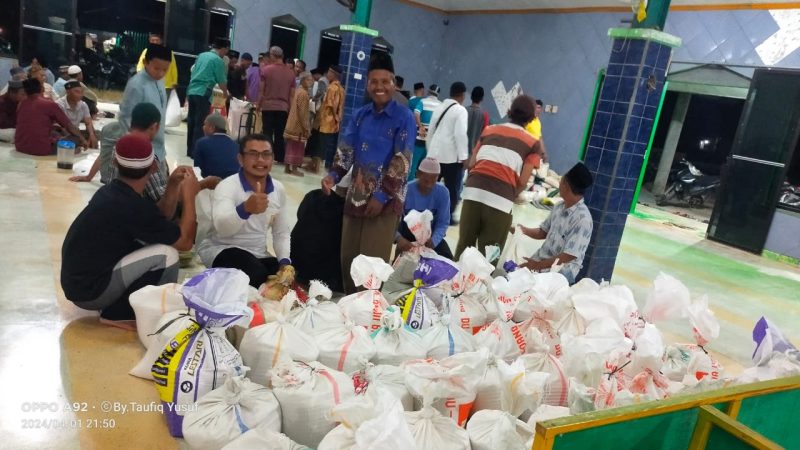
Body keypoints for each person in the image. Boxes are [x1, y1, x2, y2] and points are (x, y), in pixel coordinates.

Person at [61, 134, 200, 330]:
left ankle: (119, 306)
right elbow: (185, 242)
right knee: (167, 255)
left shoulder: (114, 192)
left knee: (155, 244)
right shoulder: (130, 205)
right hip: (90, 293)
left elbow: (158, 218)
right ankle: (120, 313)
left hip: (79, 284)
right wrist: (190, 196)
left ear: (115, 162)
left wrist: (173, 185)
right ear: (154, 167)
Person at [321, 52, 415, 294]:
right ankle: (349, 318)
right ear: (367, 84)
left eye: (385, 81)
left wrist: (381, 196)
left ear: (394, 83)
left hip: (385, 201)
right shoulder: (361, 115)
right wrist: (333, 175)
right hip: (356, 196)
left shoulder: (403, 117)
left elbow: (401, 161)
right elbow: (347, 151)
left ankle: (366, 318)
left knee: (372, 264)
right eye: (374, 81)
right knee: (349, 260)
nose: (379, 87)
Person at [196, 134, 292, 288]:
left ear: (272, 159)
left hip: (258, 254)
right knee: (256, 276)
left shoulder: (278, 189)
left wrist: (284, 262)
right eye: (253, 154)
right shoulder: (228, 186)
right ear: (240, 159)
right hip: (222, 248)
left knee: (285, 280)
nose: (260, 160)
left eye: (266, 154)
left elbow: (281, 232)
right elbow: (222, 228)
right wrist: (245, 209)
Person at [454, 95, 542, 258]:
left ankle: (455, 282)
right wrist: (510, 194)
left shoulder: (489, 130)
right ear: (531, 118)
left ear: (510, 111)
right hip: (500, 200)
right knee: (488, 256)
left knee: (463, 248)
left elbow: (473, 163)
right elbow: (523, 181)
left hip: (472, 192)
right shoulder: (533, 143)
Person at [516, 162, 594, 284]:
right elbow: (543, 232)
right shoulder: (559, 207)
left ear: (566, 185)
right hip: (541, 261)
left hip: (560, 272)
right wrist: (522, 230)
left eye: (562, 180)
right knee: (513, 280)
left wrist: (537, 266)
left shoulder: (582, 220)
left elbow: (568, 256)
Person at [119, 44, 171, 186]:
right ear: (145, 62)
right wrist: (136, 150)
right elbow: (126, 119)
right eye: (156, 68)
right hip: (143, 151)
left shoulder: (160, 81)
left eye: (165, 70)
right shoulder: (136, 85)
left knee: (163, 187)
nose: (160, 73)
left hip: (159, 147)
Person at [426, 81, 469, 225]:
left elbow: (430, 130)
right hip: (451, 158)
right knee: (452, 190)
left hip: (434, 155)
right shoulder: (461, 110)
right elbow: (460, 135)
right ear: (462, 95)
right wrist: (464, 157)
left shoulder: (439, 107)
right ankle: (447, 217)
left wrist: (429, 152)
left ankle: (428, 211)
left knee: (430, 186)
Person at [396, 158, 453, 259]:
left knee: (447, 258)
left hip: (430, 237)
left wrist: (434, 240)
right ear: (418, 174)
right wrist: (399, 238)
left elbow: (443, 222)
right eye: (426, 180)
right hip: (407, 238)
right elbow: (393, 221)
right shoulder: (406, 189)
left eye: (433, 180)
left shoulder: (443, 192)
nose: (429, 185)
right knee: (402, 266)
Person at [15, 78, 87, 156]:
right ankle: (69, 150)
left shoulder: (21, 104)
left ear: (25, 91)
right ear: (41, 89)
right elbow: (69, 126)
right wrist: (83, 140)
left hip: (20, 146)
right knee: (76, 137)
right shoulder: (49, 104)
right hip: (41, 149)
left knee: (54, 133)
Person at [187, 37, 230, 158]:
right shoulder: (217, 60)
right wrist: (226, 94)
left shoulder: (201, 55)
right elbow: (221, 81)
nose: (225, 53)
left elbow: (193, 70)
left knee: (191, 121)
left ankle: (190, 150)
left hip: (192, 90)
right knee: (201, 123)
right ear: (223, 48)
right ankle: (196, 152)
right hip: (204, 91)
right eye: (226, 50)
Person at [259, 46, 295, 163]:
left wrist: (258, 105)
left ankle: (267, 155)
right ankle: (280, 157)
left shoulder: (266, 70)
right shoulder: (290, 73)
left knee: (267, 132)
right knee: (280, 134)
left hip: (268, 106)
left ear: (272, 56)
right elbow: (291, 95)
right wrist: (290, 110)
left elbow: (261, 91)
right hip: (283, 108)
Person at [409, 84, 441, 180]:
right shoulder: (441, 105)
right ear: (437, 94)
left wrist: (420, 126)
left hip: (419, 137)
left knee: (413, 164)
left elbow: (416, 113)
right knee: (425, 166)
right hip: (431, 141)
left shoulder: (423, 101)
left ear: (428, 92)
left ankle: (409, 184)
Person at [283, 72, 312, 176]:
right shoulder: (304, 93)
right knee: (297, 147)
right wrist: (306, 128)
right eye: (309, 80)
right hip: (298, 126)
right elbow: (303, 113)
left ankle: (287, 167)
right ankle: (294, 168)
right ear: (303, 80)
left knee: (290, 146)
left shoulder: (298, 90)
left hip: (292, 122)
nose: (311, 82)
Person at [193, 113, 240, 179]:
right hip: (234, 183)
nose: (203, 127)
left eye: (205, 124)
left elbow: (197, 170)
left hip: (211, 184)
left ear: (212, 128)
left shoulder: (201, 143)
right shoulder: (237, 145)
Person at [317, 65, 344, 170]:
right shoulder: (341, 89)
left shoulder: (332, 88)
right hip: (335, 122)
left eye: (329, 72)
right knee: (329, 144)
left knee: (322, 144)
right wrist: (338, 119)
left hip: (327, 120)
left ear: (333, 74)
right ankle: (327, 165)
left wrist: (334, 115)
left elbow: (331, 104)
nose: (328, 74)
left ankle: (318, 167)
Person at [56, 81, 98, 149]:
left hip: (77, 132)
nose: (80, 95)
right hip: (63, 132)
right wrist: (81, 139)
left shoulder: (83, 105)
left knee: (96, 135)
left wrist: (92, 135)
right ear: (68, 92)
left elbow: (88, 122)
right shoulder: (59, 104)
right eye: (77, 92)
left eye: (81, 92)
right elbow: (61, 127)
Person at [467, 86, 489, 156]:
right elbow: (485, 134)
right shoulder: (485, 115)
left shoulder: (463, 110)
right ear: (482, 99)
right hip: (473, 153)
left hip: (458, 152)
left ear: (471, 96)